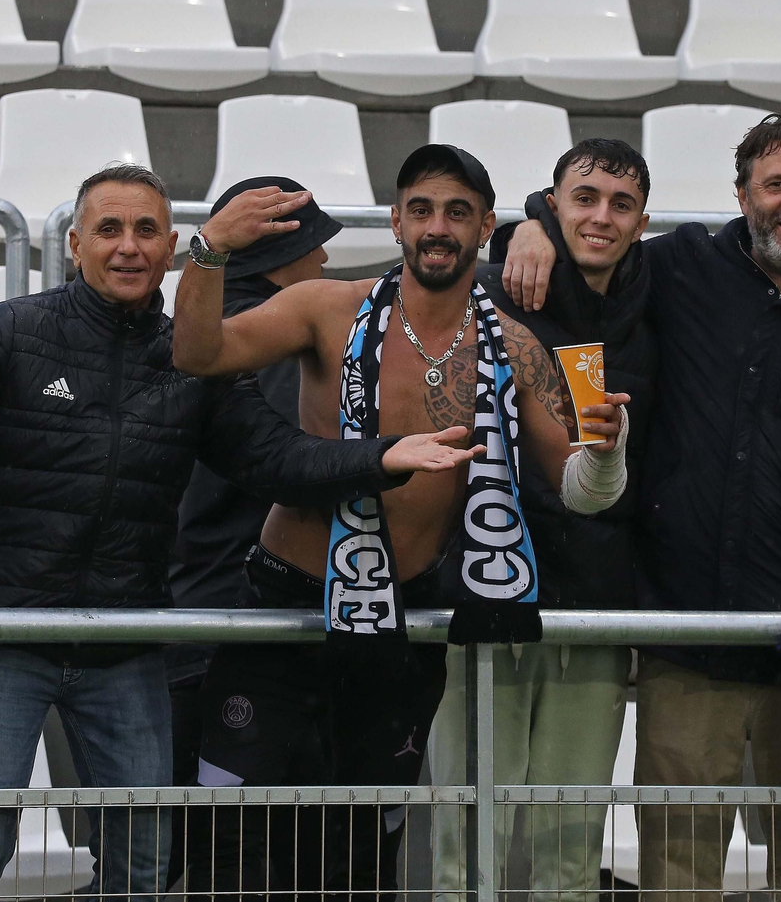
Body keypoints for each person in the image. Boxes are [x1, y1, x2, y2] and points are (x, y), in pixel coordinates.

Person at [0, 164, 476, 901]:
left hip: (124, 643)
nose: (128, 247)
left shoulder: (189, 359)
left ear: (168, 248)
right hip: (5, 635)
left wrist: (381, 455)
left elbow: (277, 459)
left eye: (146, 230)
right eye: (110, 230)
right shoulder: (14, 327)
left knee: (144, 862)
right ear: (77, 246)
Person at [170, 144, 632, 900]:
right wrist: (211, 248)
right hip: (287, 609)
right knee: (232, 844)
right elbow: (197, 351)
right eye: (420, 209)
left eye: (456, 211)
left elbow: (579, 490)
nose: (437, 227)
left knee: (354, 858)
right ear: (395, 220)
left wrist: (608, 453)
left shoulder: (513, 347)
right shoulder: (331, 308)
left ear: (487, 225)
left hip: (401, 625)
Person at [499, 115, 781, 901]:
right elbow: (591, 242)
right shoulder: (684, 267)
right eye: (775, 183)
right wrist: (531, 221)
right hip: (685, 635)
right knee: (678, 873)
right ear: (743, 193)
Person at [431, 139, 659, 901]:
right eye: (582, 198)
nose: (600, 216)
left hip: (593, 609)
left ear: (642, 221)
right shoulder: (488, 293)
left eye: (620, 204)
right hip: (482, 600)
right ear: (553, 203)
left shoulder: (659, 302)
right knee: (468, 845)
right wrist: (523, 222)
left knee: (571, 849)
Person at [167, 177, 338, 886]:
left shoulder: (198, 329)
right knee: (246, 861)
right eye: (314, 245)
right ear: (281, 256)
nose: (326, 262)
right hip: (246, 631)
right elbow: (292, 466)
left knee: (199, 856)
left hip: (196, 618)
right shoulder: (270, 345)